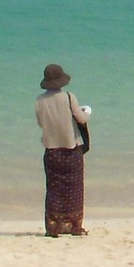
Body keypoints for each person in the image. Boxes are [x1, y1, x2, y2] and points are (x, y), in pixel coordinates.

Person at [35, 63, 91, 237]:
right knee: (73, 188)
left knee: (54, 189)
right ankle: (74, 226)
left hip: (51, 150)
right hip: (70, 148)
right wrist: (87, 112)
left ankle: (53, 226)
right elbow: (81, 118)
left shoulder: (39, 101)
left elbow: (40, 123)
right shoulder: (68, 97)